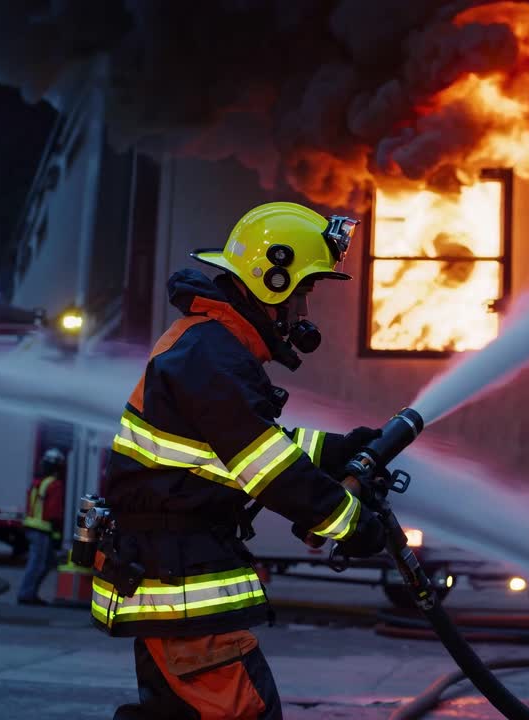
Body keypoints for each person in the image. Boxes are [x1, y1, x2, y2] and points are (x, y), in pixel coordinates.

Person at [95, 202, 388, 720]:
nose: (304, 311)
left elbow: (239, 445)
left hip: (177, 576)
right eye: (302, 292)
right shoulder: (212, 356)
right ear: (271, 283)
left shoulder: (211, 347)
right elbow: (266, 466)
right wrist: (352, 525)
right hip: (181, 584)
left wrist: (338, 450)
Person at [18, 448, 67, 606]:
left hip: (32, 528)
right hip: (42, 530)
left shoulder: (37, 482)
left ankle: (30, 593)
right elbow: (54, 512)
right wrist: (57, 536)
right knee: (38, 564)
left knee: (46, 563)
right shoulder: (54, 485)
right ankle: (26, 594)